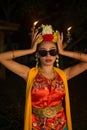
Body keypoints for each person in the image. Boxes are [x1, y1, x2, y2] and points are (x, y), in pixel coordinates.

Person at [0, 24, 87, 130]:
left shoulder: (64, 75)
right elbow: (2, 58)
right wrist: (30, 50)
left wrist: (63, 51)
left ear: (57, 54)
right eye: (43, 52)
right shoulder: (29, 74)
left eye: (53, 51)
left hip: (61, 125)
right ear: (37, 54)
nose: (48, 55)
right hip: (37, 126)